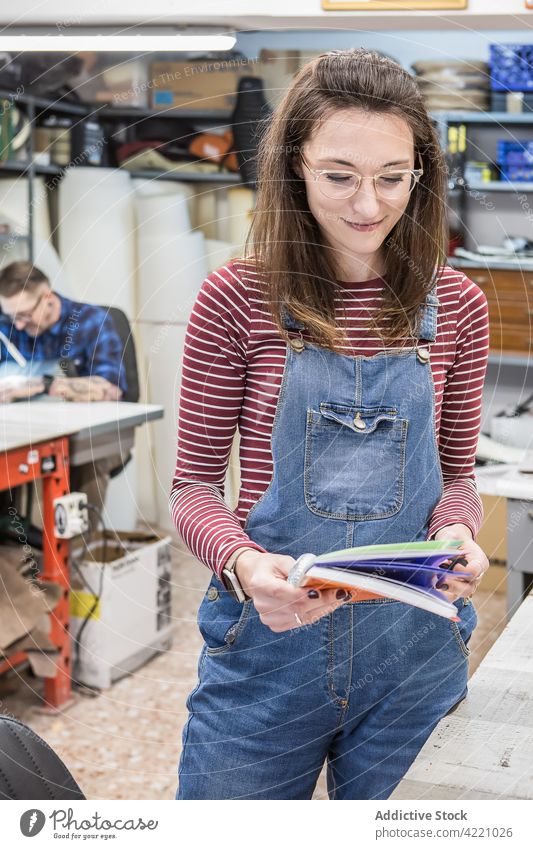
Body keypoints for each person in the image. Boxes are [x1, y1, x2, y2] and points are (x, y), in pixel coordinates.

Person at [170, 48, 490, 800]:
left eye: (391, 178)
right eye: (338, 175)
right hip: (268, 647)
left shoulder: (460, 307)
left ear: (421, 173)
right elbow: (192, 486)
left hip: (413, 650)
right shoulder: (235, 299)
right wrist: (246, 566)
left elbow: (458, 476)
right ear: (293, 169)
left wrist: (458, 533)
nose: (368, 206)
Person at [0, 261, 128, 514]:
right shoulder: (9, 326)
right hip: (26, 429)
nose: (20, 326)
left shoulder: (91, 322)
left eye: (25, 315)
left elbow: (111, 390)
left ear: (47, 298)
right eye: (12, 317)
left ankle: (75, 550)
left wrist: (41, 385)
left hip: (90, 434)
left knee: (89, 460)